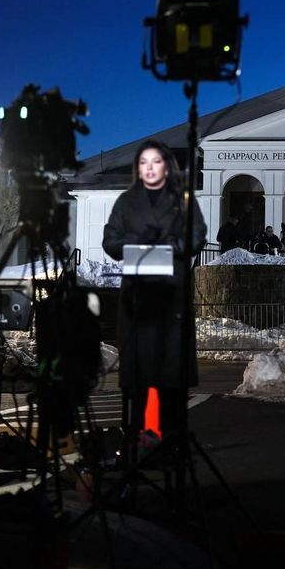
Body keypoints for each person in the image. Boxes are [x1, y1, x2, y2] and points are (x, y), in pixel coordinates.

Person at [101, 140, 206, 449]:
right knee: (137, 372)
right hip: (138, 297)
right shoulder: (126, 202)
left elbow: (197, 237)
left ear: (167, 166)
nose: (149, 167)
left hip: (171, 296)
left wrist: (166, 245)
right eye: (143, 162)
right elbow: (110, 241)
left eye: (156, 161)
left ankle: (171, 440)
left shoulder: (182, 201)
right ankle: (134, 438)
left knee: (171, 372)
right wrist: (135, 242)